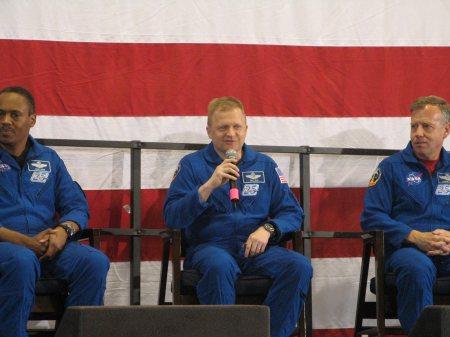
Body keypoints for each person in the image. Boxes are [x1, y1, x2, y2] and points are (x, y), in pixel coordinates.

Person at [164, 96, 312, 337]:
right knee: (219, 266)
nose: (231, 133)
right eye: (223, 127)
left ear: (246, 128)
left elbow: (292, 212)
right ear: (209, 130)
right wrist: (208, 187)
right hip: (211, 248)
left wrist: (269, 229)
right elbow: (172, 216)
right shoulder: (192, 165)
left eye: (236, 126)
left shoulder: (264, 165)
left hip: (256, 249)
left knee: (299, 266)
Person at [0, 86, 110, 337]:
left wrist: (63, 231)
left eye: (14, 115)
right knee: (22, 260)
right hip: (8, 248)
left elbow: (76, 206)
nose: (5, 121)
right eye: (0, 114)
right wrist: (21, 241)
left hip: (45, 247)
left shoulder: (49, 159)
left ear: (32, 119)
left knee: (94, 262)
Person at [361, 95, 450, 331]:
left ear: (446, 130)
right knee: (417, 269)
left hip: (447, 249)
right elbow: (371, 217)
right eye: (414, 126)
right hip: (406, 251)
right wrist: (415, 236)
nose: (418, 132)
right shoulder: (390, 168)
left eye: (426, 126)